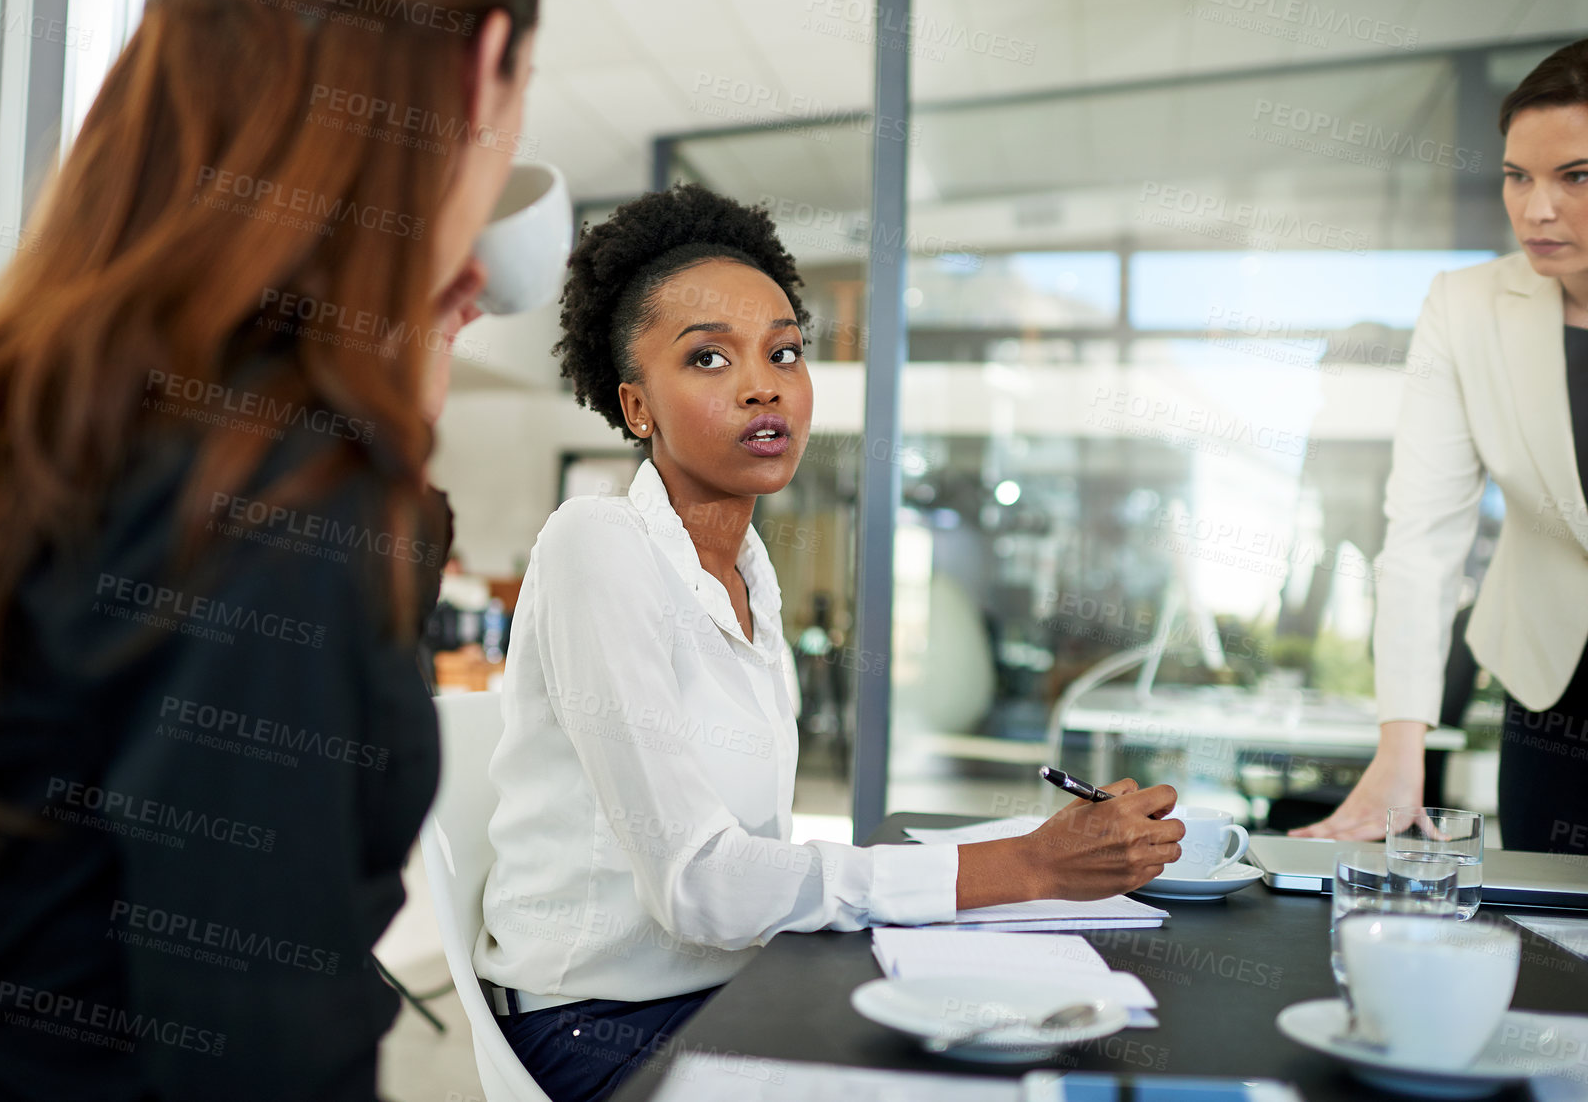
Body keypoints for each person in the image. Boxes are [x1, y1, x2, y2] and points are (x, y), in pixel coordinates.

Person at [0, 0, 537, 1098]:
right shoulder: (277, 495)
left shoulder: (82, 417)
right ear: (479, 68)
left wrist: (389, 423)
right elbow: (263, 1051)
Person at [474, 184, 1185, 1102]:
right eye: (707, 357)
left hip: (739, 987)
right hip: (601, 1030)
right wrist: (1028, 865)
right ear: (636, 406)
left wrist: (1052, 844)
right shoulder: (596, 543)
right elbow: (701, 886)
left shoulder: (752, 579)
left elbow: (751, 872)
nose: (763, 382)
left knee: (1030, 1054)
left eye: (783, 352)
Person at [1296, 38, 1588, 855]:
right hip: (1552, 690)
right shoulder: (1464, 307)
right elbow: (1422, 537)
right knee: (1553, 947)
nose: (1536, 210)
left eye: (1578, 177)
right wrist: (1401, 746)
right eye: (1517, 176)